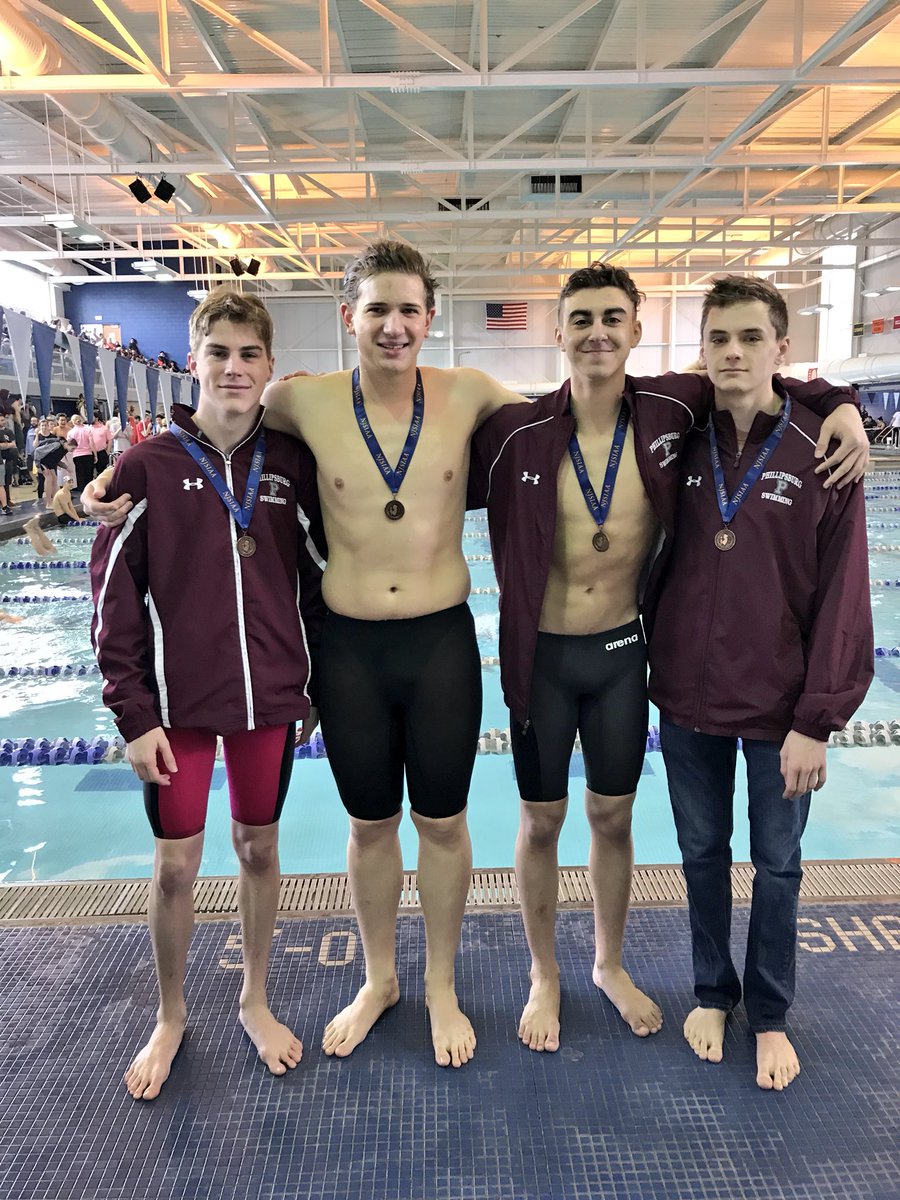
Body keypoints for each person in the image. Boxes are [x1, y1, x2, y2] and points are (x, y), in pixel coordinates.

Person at [85, 242, 528, 1070]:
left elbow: (575, 411)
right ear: (348, 317)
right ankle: (378, 979)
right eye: (377, 309)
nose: (393, 326)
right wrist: (106, 480)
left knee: (443, 824)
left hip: (439, 642)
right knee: (369, 826)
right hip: (349, 649)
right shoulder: (301, 403)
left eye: (408, 309)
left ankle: (440, 985)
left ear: (430, 317)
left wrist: (775, 397)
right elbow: (203, 437)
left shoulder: (469, 392)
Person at [468, 263, 869, 1055]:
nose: (597, 333)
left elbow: (780, 392)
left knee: (705, 845)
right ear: (558, 331)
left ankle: (663, 981)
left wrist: (843, 402)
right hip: (596, 672)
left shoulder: (691, 415)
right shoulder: (553, 427)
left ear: (637, 331)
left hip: (648, 664)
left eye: (612, 318)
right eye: (582, 319)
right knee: (582, 830)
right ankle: (559, 976)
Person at [90, 289, 326, 1101]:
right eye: (218, 352)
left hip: (268, 702)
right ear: (193, 361)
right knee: (174, 869)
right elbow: (112, 599)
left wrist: (314, 689)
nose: (233, 367)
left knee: (259, 850)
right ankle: (170, 1013)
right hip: (177, 708)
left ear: (269, 365)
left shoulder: (290, 463)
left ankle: (254, 997)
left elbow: (320, 583)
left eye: (248, 353)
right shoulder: (146, 466)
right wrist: (133, 715)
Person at [646, 276, 873, 1090]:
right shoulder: (678, 435)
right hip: (687, 695)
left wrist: (818, 720)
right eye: (719, 338)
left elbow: (845, 591)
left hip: (782, 707)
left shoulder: (823, 446)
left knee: (778, 863)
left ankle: (771, 1013)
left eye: (751, 337)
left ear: (782, 348)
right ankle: (713, 992)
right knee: (701, 853)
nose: (733, 353)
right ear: (701, 349)